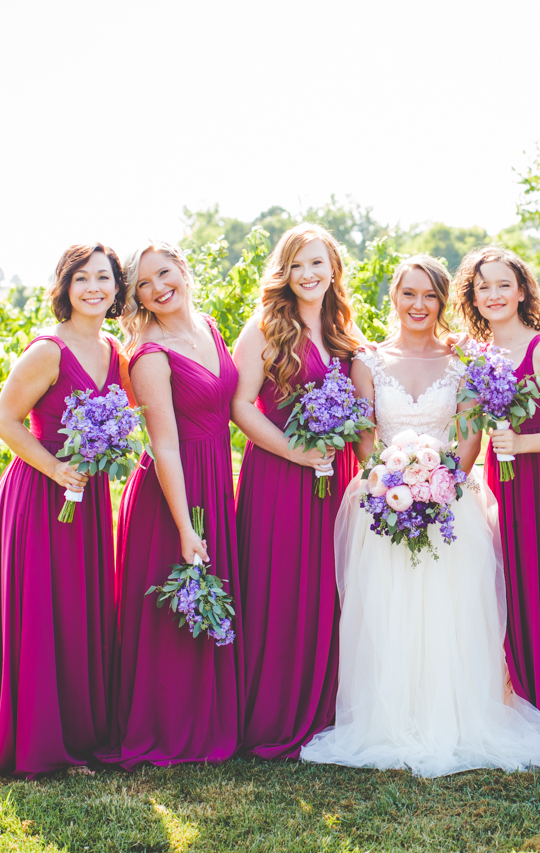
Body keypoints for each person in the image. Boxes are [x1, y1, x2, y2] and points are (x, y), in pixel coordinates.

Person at [300, 255, 540, 778]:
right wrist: (394, 483)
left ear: (442, 301)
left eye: (430, 296)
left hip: (450, 502)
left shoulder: (464, 359)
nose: (419, 305)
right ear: (393, 297)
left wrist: (438, 487)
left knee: (452, 611)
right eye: (409, 294)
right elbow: (365, 436)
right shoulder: (367, 361)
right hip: (382, 500)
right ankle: (388, 721)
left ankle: (457, 718)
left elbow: (470, 436)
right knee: (386, 610)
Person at [0, 243, 125, 777]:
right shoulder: (48, 350)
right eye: (81, 278)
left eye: (103, 278)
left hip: (87, 499)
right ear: (65, 286)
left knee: (78, 612)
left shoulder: (115, 351)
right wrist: (55, 468)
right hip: (41, 494)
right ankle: (41, 744)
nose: (93, 288)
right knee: (43, 611)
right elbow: (6, 420)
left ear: (116, 288)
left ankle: (78, 737)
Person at [98, 241, 241, 769]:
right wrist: (184, 525)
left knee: (206, 597)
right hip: (171, 491)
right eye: (143, 286)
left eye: (164, 274)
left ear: (183, 267)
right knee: (172, 606)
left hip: (214, 479)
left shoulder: (208, 326)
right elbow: (164, 444)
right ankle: (168, 727)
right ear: (135, 297)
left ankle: (209, 719)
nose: (159, 289)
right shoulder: (151, 354)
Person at [451, 246, 540, 763]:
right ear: (473, 296)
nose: (493, 294)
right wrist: (443, 482)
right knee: (518, 595)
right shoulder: (477, 356)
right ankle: (528, 703)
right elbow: (467, 430)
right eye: (483, 286)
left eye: (503, 284)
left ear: (522, 290)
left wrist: (522, 444)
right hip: (506, 491)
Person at [232, 223, 363, 759]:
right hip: (279, 479)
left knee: (328, 589)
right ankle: (273, 712)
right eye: (296, 265)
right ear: (282, 273)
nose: (308, 275)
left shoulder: (344, 333)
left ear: (334, 269)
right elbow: (240, 406)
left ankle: (325, 709)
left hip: (332, 482)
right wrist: (293, 451)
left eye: (317, 263)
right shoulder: (265, 327)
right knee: (278, 588)